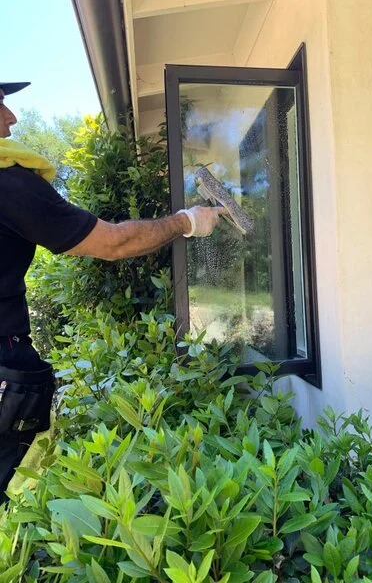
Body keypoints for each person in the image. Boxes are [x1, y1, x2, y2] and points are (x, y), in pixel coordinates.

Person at [0, 80, 224, 503]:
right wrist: (187, 221)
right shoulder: (8, 182)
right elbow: (112, 243)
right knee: (17, 486)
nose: (12, 118)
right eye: (0, 106)